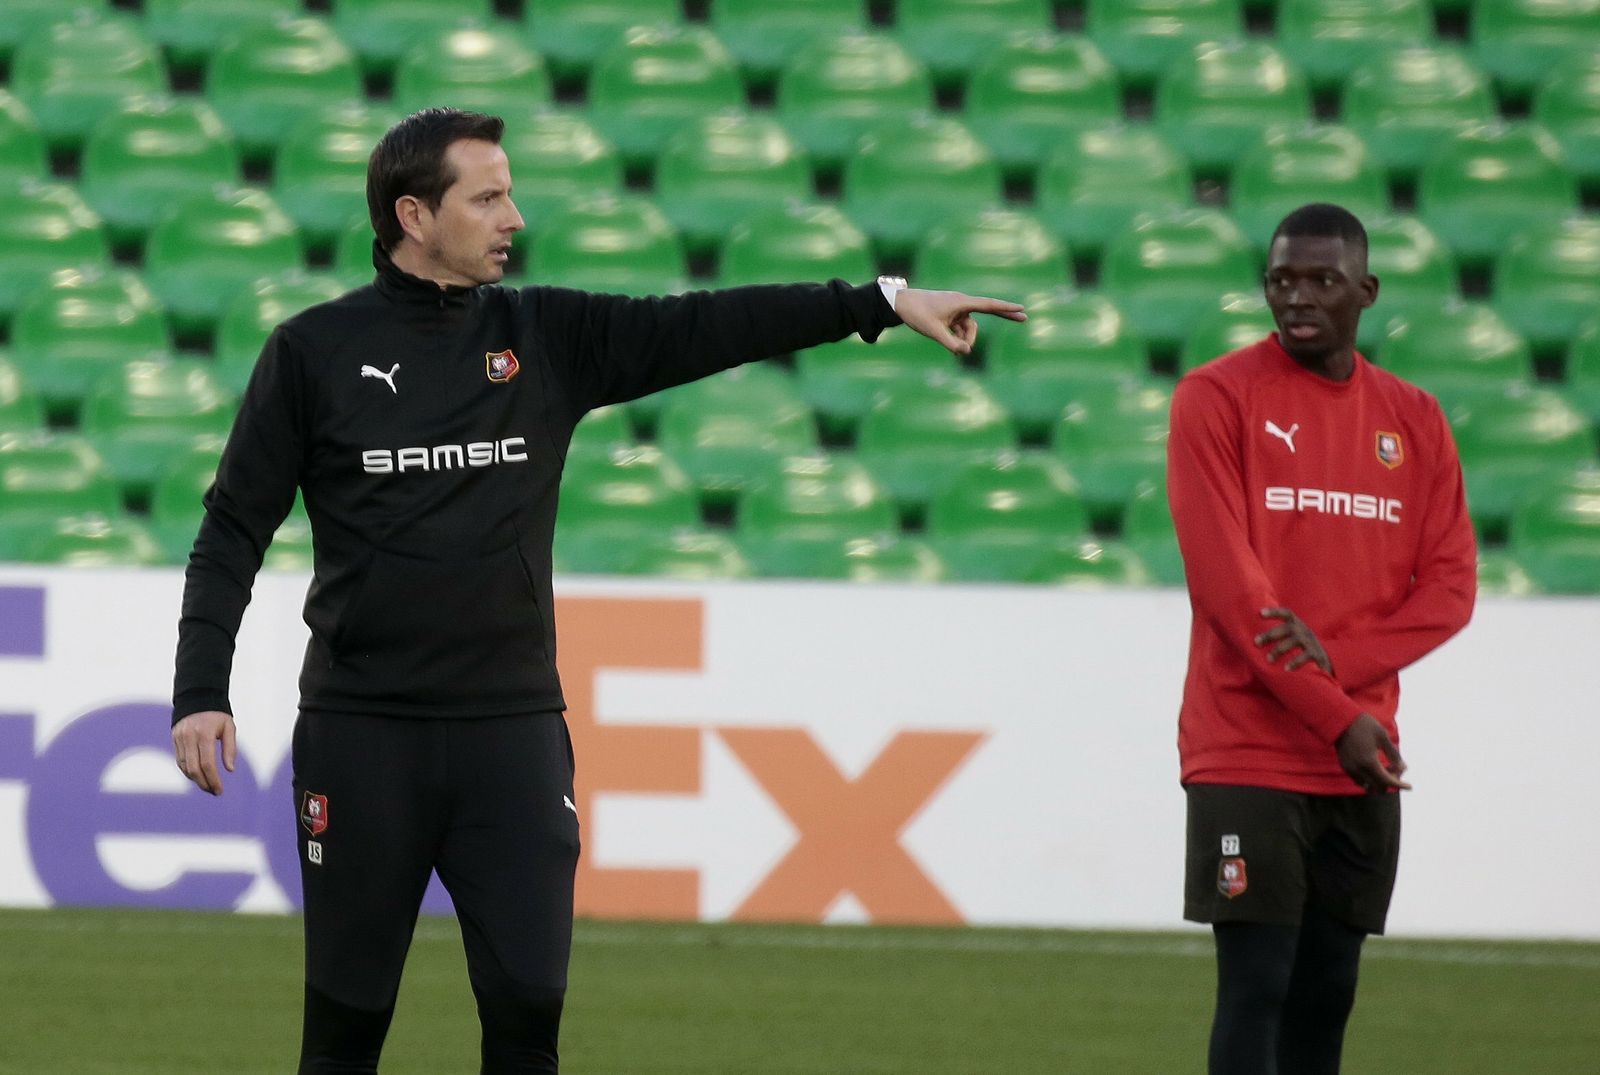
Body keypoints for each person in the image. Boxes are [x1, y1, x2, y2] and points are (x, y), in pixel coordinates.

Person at [167, 107, 1024, 1074]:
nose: (513, 216)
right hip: (363, 737)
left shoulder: (547, 334)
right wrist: (201, 688)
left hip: (513, 737)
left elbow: (709, 324)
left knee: (529, 1021)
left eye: (509, 193)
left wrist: (878, 300)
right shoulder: (311, 352)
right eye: (487, 197)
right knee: (345, 1032)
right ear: (414, 214)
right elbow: (231, 529)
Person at [1165, 203, 1477, 1074]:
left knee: (1328, 993)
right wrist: (1337, 715)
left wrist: (1338, 674)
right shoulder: (1215, 397)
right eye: (1281, 280)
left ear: (1365, 291)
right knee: (1257, 982)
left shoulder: (1414, 419)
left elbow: (1451, 588)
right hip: (1247, 748)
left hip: (1359, 752)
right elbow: (1233, 594)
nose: (1297, 297)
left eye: (1321, 281)